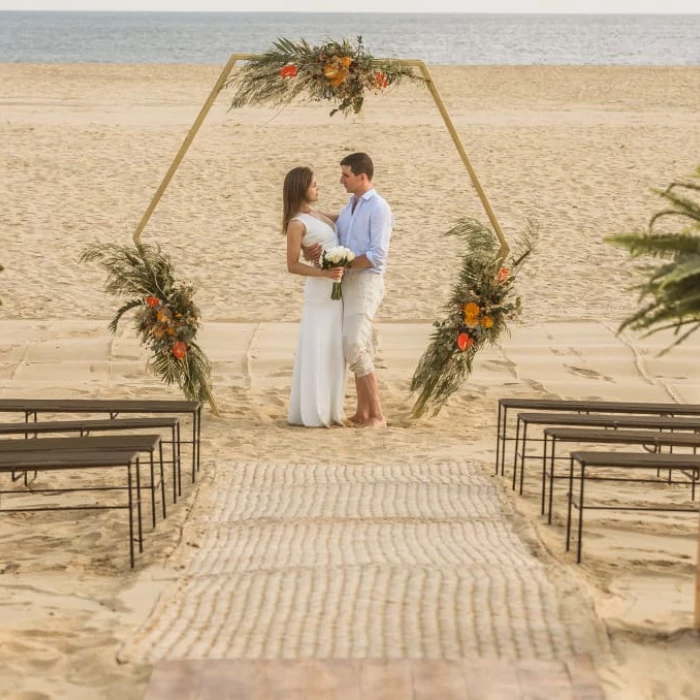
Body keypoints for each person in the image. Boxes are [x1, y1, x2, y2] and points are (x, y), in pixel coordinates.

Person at [306, 152, 393, 429]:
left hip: (366, 281)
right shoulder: (350, 205)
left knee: (354, 342)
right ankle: (362, 411)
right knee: (357, 344)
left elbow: (378, 254)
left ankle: (377, 414)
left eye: (346, 175)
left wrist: (344, 262)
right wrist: (308, 217)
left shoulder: (379, 207)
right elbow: (337, 226)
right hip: (347, 282)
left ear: (362, 176)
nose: (341, 180)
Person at [283, 166, 346, 428]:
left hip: (335, 289)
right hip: (321, 289)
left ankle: (331, 407)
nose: (318, 189)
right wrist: (322, 272)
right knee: (318, 344)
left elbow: (342, 218)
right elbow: (292, 264)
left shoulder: (315, 213)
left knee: (333, 346)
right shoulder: (296, 223)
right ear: (301, 189)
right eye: (314, 185)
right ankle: (313, 409)